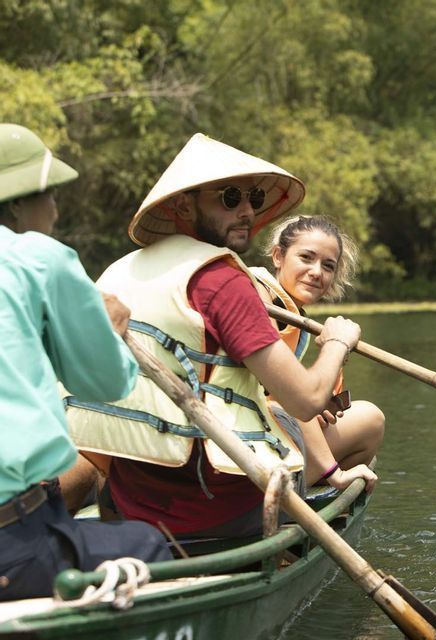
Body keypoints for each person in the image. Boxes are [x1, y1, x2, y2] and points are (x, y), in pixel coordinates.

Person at [65, 133, 375, 539]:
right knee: (370, 421)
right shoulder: (222, 282)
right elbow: (306, 400)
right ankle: (281, 547)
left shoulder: (122, 270)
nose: (246, 210)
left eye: (253, 199)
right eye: (229, 198)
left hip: (124, 505)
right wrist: (337, 341)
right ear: (182, 205)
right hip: (215, 509)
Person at [0, 123, 171, 601]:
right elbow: (105, 382)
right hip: (12, 542)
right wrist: (110, 332)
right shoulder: (38, 256)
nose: (55, 209)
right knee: (148, 543)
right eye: (49, 195)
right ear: (17, 203)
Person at [252, 215, 384, 486]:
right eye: (306, 258)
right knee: (368, 418)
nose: (316, 272)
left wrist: (320, 404)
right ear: (278, 256)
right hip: (249, 433)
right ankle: (325, 479)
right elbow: (282, 389)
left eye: (328, 265)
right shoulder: (259, 293)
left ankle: (308, 490)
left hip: (269, 424)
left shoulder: (290, 311)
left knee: (368, 419)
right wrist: (332, 473)